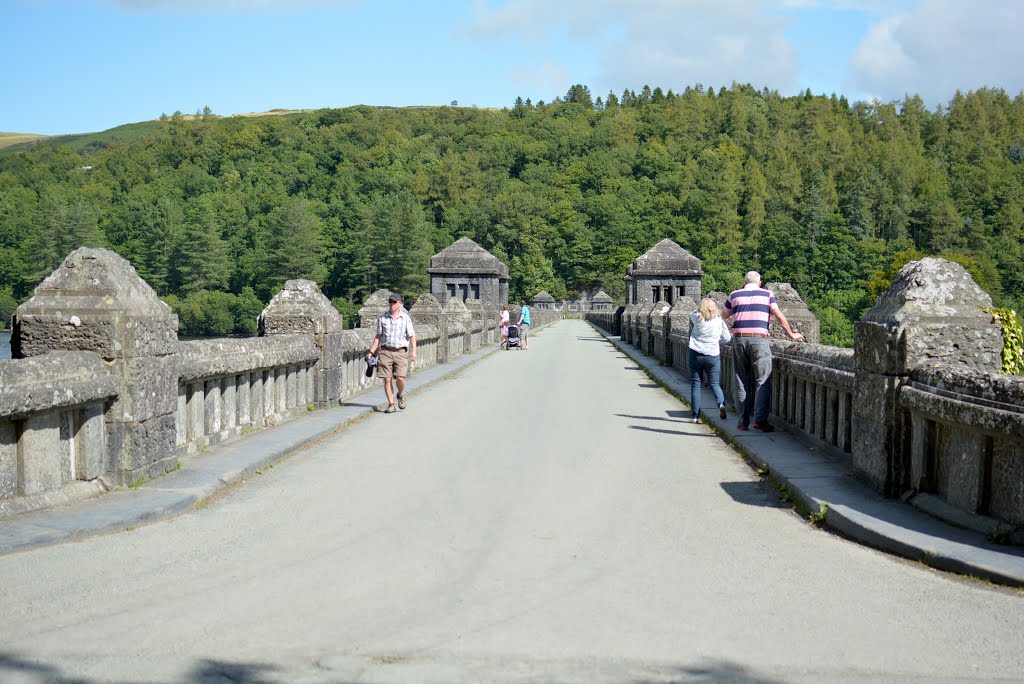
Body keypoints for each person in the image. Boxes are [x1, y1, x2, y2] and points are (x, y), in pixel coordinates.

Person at [722, 271, 804, 432]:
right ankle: (760, 420)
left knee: (741, 380)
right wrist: (791, 334)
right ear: (759, 282)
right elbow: (779, 316)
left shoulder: (734, 294)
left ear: (744, 282)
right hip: (759, 339)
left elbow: (724, 315)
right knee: (763, 380)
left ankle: (743, 421)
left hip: (738, 339)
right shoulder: (767, 294)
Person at [366, 293, 417, 413]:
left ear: (400, 304)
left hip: (400, 352)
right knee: (387, 379)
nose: (391, 304)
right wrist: (371, 351)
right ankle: (391, 404)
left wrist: (414, 351)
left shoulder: (405, 318)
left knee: (400, 378)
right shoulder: (382, 318)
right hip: (385, 351)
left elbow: (412, 336)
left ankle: (400, 394)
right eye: (390, 301)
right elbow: (378, 336)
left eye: (394, 302)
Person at [688, 298, 731, 423]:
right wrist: (717, 341)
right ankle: (721, 404)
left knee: (696, 384)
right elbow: (727, 338)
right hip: (712, 355)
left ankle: (695, 416)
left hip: (695, 353)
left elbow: (691, 313)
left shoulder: (696, 317)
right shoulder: (719, 321)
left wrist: (700, 308)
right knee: (715, 384)